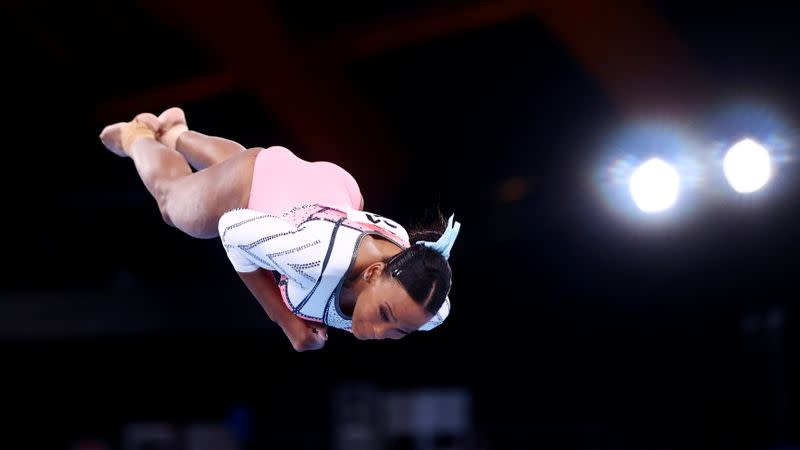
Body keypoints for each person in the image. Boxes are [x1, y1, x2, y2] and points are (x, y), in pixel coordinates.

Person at [98, 107, 460, 352]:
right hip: (256, 187)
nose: (380, 332)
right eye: (384, 314)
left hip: (322, 189)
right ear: (376, 271)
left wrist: (400, 318)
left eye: (399, 331)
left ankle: (176, 132)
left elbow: (436, 301)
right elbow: (232, 229)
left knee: (254, 168)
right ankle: (138, 135)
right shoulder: (319, 260)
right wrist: (287, 321)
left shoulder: (425, 303)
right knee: (174, 205)